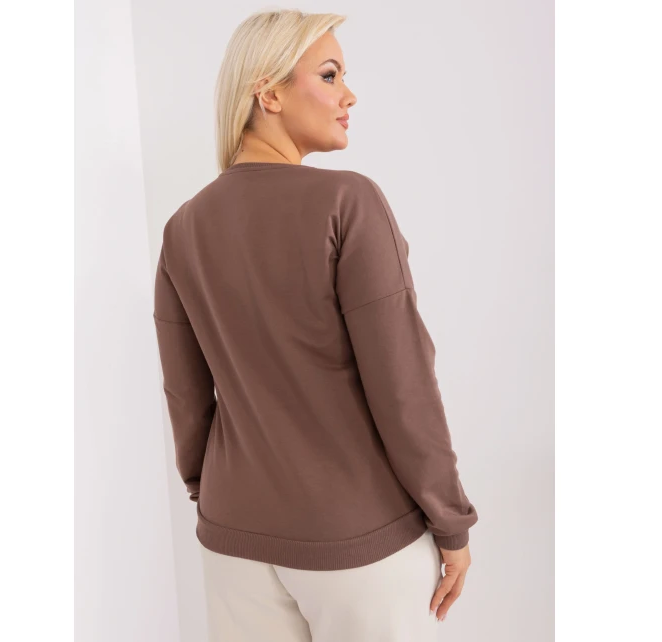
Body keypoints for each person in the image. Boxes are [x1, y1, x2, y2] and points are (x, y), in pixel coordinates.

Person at [153, 9, 479, 642]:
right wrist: (451, 522)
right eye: (329, 75)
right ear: (268, 93)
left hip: (234, 539)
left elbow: (185, 394)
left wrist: (210, 489)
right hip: (358, 543)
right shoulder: (347, 202)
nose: (348, 95)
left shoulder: (183, 228)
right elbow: (403, 384)